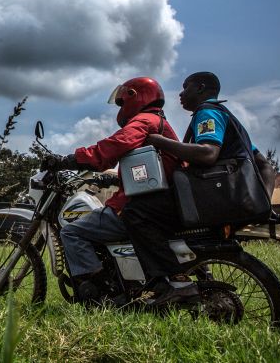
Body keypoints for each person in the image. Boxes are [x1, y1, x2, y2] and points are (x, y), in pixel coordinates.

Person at [139, 71, 276, 305]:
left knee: (138, 213)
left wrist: (158, 141)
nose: (180, 94)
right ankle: (200, 273)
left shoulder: (207, 112)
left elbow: (208, 153)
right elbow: (266, 166)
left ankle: (176, 282)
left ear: (201, 88)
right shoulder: (229, 118)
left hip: (213, 200)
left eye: (186, 87)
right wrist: (263, 204)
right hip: (235, 200)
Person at [43, 77, 180, 304]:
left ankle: (100, 289)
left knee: (71, 232)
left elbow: (110, 148)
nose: (120, 108)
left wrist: (67, 160)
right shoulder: (159, 122)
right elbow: (143, 171)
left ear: (134, 96)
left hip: (137, 207)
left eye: (121, 102)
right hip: (159, 201)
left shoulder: (144, 121)